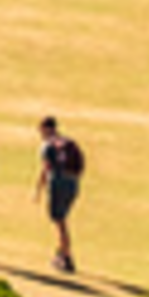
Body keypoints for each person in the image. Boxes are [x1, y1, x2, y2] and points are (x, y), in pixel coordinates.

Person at [35, 113, 87, 274]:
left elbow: (45, 168)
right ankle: (60, 252)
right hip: (73, 183)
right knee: (62, 220)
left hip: (58, 182)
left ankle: (66, 257)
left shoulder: (48, 146)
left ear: (45, 129)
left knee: (60, 222)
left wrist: (39, 189)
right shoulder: (68, 143)